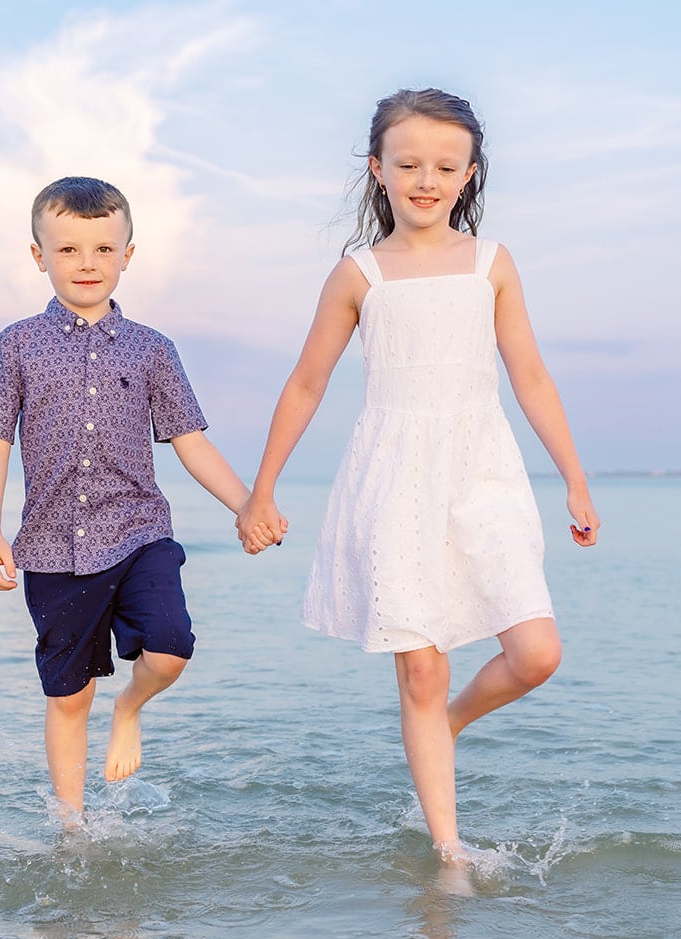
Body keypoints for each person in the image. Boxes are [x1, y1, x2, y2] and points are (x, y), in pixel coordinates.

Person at [237, 89, 599, 861]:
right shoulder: (358, 273)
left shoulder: (493, 264)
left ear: (470, 174)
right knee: (420, 672)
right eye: (408, 164)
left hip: (483, 471)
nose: (425, 179)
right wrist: (262, 488)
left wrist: (573, 475)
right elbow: (306, 383)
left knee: (537, 652)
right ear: (379, 170)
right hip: (394, 478)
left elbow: (530, 374)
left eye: (444, 165)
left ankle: (453, 724)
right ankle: (449, 854)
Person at [0, 176, 282, 820]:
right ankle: (72, 827)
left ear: (127, 255)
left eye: (104, 250)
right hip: (52, 549)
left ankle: (129, 709)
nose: (87, 264)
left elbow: (189, 442)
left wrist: (248, 503)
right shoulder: (15, 345)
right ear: (39, 256)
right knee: (68, 695)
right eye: (70, 250)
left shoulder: (153, 349)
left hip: (139, 534)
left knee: (169, 646)